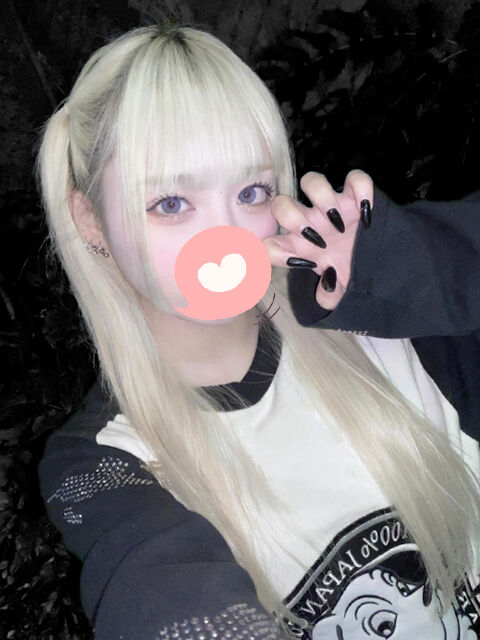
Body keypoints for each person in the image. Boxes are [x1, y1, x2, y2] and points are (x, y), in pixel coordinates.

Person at [35, 22, 480, 640]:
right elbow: (159, 596)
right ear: (91, 221)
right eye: (170, 204)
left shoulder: (382, 322)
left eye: (251, 192)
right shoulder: (106, 459)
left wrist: (414, 270)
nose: (229, 236)